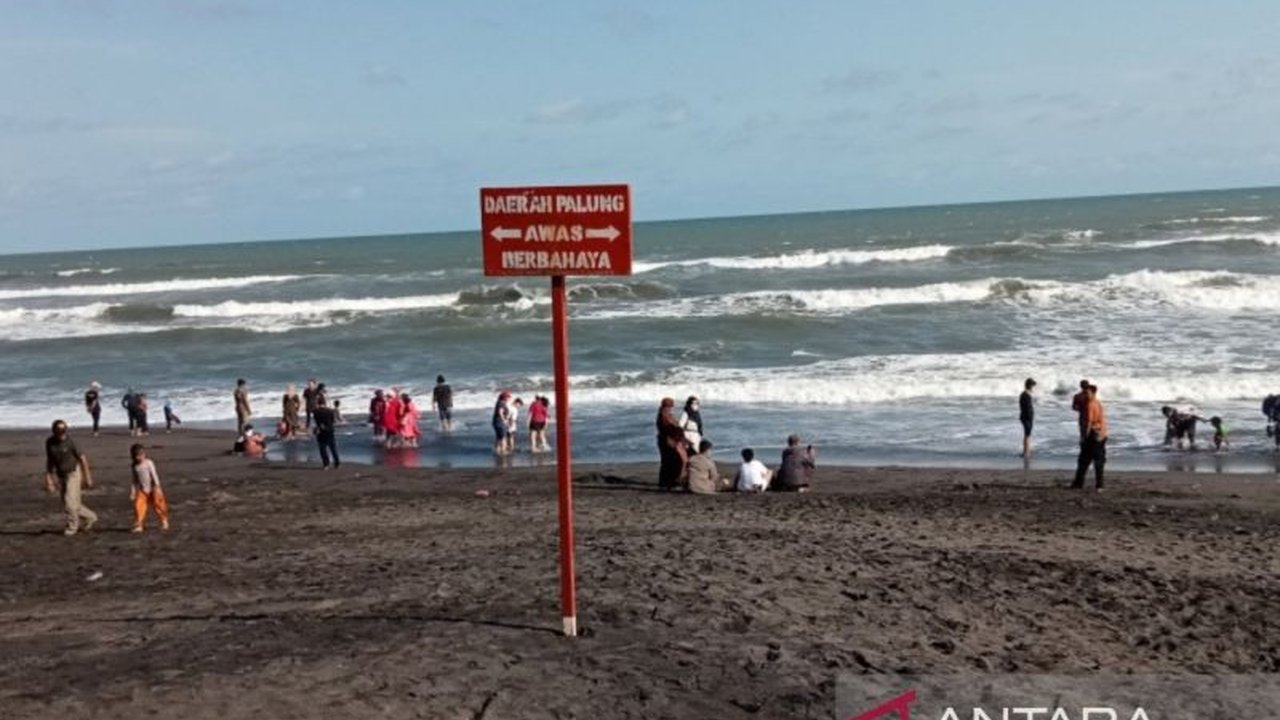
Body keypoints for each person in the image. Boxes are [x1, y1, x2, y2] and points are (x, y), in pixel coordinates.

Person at [44, 419, 97, 536]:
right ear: (54, 431)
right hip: (61, 474)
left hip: (73, 473)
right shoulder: (50, 443)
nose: (62, 434)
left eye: (63, 431)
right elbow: (50, 461)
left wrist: (88, 477)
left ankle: (72, 527)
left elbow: (83, 459)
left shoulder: (71, 442)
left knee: (69, 502)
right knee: (72, 504)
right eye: (59, 431)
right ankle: (91, 517)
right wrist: (49, 479)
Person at [1072, 383, 1108, 491]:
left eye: (1088, 393)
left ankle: (1079, 483)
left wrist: (1084, 437)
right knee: (1098, 461)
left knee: (1084, 460)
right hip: (1101, 434)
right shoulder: (1098, 403)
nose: (1086, 395)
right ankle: (1099, 485)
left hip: (1093, 434)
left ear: (1093, 393)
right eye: (1085, 393)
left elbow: (1088, 422)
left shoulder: (1090, 404)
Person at [129, 443, 170, 533]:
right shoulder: (135, 466)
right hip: (142, 489)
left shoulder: (149, 463)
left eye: (141, 455)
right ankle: (139, 524)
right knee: (138, 506)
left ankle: (164, 521)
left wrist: (158, 487)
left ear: (144, 454)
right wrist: (132, 491)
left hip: (153, 488)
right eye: (137, 456)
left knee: (158, 505)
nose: (140, 458)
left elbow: (154, 475)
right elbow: (134, 480)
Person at [656, 397, 688, 489]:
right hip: (668, 441)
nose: (671, 408)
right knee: (673, 461)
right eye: (670, 406)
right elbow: (670, 428)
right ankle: (671, 482)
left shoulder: (665, 414)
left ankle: (665, 483)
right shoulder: (664, 416)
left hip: (666, 440)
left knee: (668, 462)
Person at [312, 404, 339, 469]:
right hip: (330, 431)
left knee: (323, 449)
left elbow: (316, 421)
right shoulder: (330, 411)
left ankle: (326, 464)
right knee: (333, 448)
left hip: (321, 431)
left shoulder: (316, 412)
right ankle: (337, 463)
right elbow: (332, 421)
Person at [1019, 378, 1036, 458]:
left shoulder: (1024, 394)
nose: (1033, 388)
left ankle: (1028, 449)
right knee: (1027, 434)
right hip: (1026, 417)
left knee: (1028, 434)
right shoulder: (1026, 395)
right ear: (1030, 386)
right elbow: (1027, 408)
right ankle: (1026, 452)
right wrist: (1030, 416)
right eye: (1032, 386)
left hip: (1025, 417)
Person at [492, 391, 513, 455]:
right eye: (508, 397)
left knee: (499, 437)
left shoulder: (500, 402)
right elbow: (500, 412)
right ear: (505, 397)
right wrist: (504, 420)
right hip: (500, 422)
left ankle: (497, 450)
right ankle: (503, 451)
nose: (509, 398)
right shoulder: (501, 403)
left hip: (496, 421)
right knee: (503, 437)